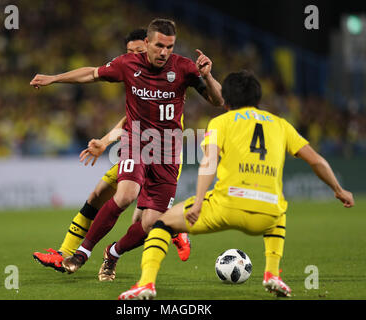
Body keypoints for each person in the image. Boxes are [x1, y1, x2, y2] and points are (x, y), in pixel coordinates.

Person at [118, 70, 355, 300]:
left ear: (227, 101)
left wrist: (199, 201)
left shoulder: (221, 122)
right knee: (279, 209)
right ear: (258, 98)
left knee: (162, 223)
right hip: (265, 214)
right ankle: (272, 274)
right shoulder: (280, 124)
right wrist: (338, 189)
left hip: (226, 206)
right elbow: (317, 160)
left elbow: (209, 163)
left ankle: (145, 283)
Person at [30, 19, 224, 278]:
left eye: (169, 46)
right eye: (158, 46)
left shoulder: (185, 68)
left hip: (167, 152)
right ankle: (81, 253)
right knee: (125, 194)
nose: (163, 52)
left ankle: (113, 253)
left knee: (149, 222)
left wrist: (207, 75)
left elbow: (218, 100)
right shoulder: (128, 64)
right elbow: (91, 73)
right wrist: (55, 78)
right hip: (137, 144)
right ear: (147, 43)